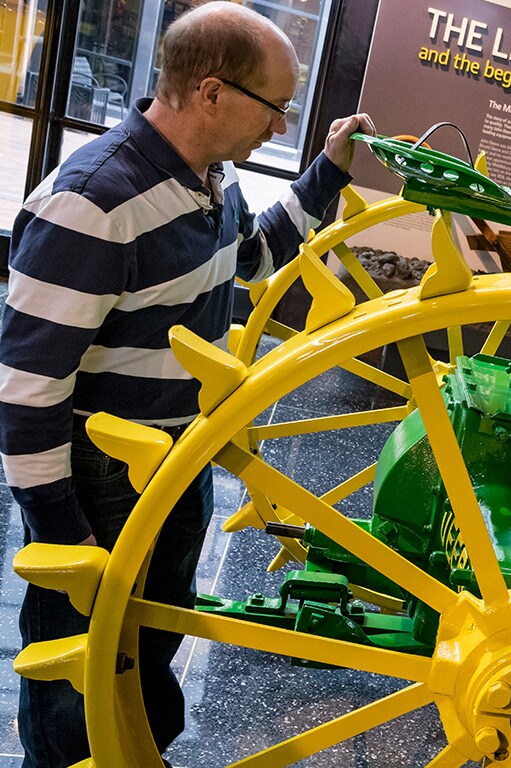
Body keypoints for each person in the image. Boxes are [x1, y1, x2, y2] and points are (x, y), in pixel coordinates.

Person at [0, 3, 374, 766]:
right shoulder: (92, 203)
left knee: (153, 629)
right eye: (276, 106)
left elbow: (256, 257)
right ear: (211, 93)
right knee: (81, 651)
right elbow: (25, 391)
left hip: (176, 462)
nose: (279, 125)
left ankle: (134, 750)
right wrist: (62, 533)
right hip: (101, 480)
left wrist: (329, 166)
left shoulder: (211, 183)